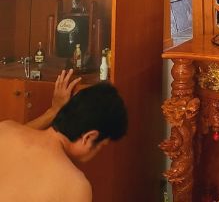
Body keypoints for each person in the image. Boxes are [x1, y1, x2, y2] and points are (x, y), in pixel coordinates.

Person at [0, 70, 127, 202]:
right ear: (89, 137)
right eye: (101, 145)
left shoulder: (6, 129)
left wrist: (54, 111)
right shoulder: (74, 186)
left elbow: (21, 132)